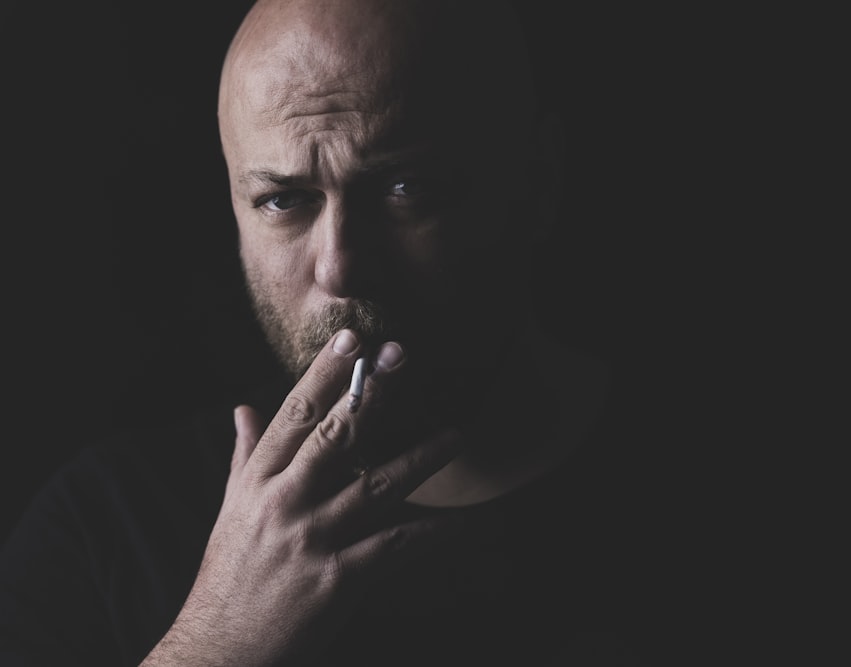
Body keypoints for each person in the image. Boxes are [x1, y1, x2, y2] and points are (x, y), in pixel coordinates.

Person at [0, 0, 663, 665]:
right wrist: (217, 641)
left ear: (540, 182)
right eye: (284, 200)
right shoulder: (106, 525)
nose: (341, 265)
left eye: (407, 186)